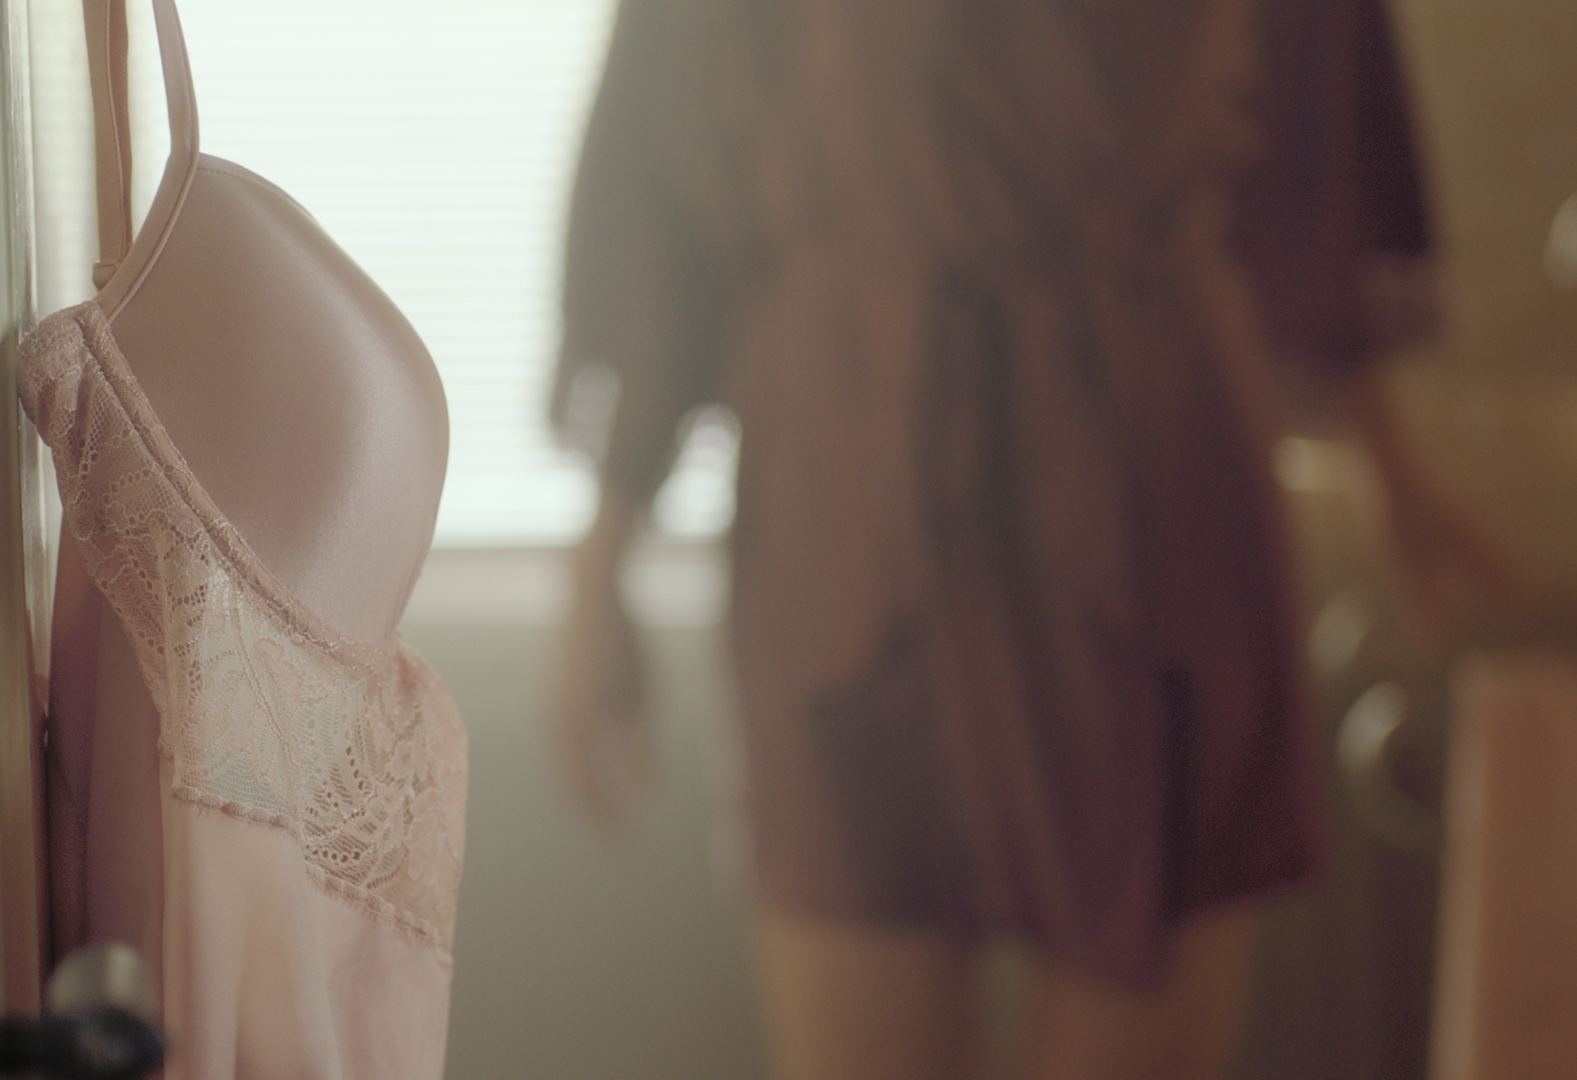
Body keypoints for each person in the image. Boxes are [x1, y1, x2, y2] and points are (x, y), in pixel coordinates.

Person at [544, 0, 1504, 1077]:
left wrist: (1396, 473)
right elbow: (658, 177)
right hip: (851, 492)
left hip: (1154, 480)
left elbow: (1325, 148)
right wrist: (600, 564)